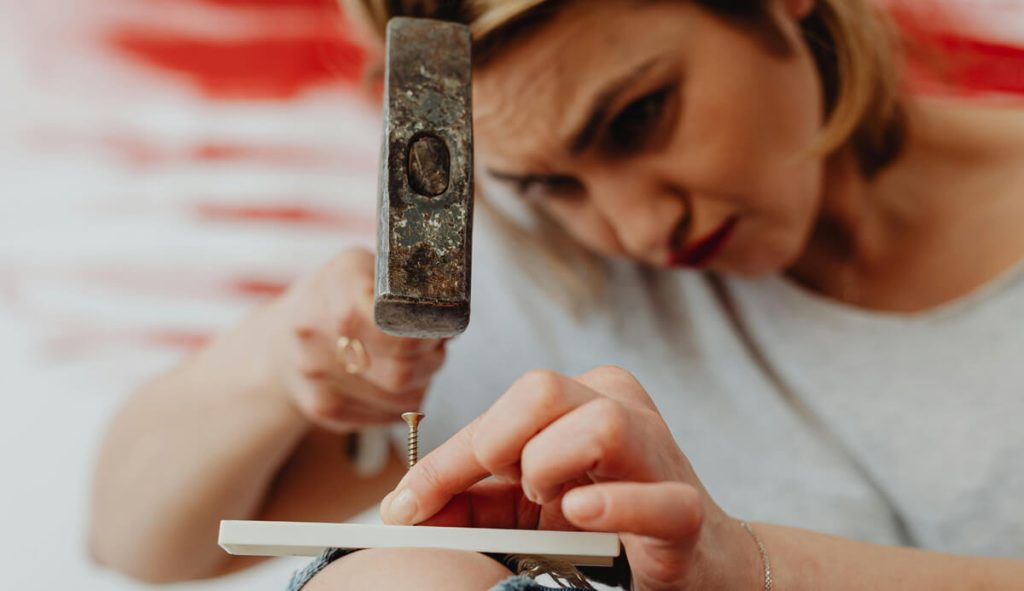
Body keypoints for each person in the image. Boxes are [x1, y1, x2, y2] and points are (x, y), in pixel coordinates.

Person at [89, 0, 1024, 589]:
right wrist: (277, 358)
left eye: (636, 117)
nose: (630, 227)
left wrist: (754, 572)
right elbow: (138, 542)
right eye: (548, 183)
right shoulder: (549, 276)